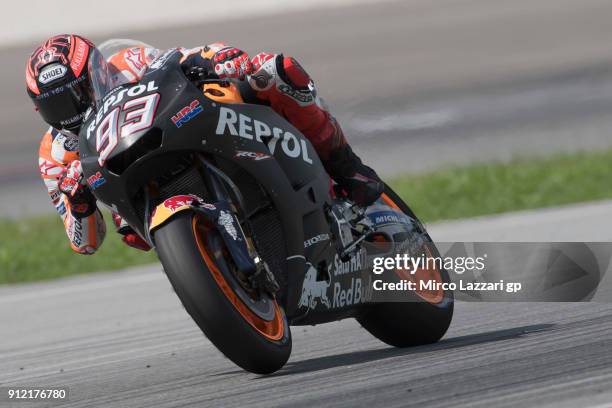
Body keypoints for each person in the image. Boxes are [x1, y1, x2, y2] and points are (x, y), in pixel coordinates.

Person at [26, 34, 383, 255]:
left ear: (97, 73)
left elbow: (182, 57)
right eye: (56, 105)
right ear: (39, 109)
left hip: (181, 130)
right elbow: (84, 242)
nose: (71, 110)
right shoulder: (52, 155)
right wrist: (79, 202)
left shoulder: (125, 65)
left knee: (273, 70)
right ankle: (215, 260)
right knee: (129, 238)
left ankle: (348, 169)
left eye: (77, 93)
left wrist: (217, 57)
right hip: (141, 200)